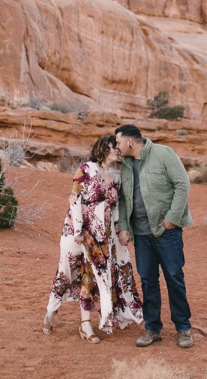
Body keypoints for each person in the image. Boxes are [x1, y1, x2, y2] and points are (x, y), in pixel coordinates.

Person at [42, 135, 143, 343]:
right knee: (67, 275)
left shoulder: (116, 176)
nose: (117, 150)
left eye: (118, 147)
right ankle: (51, 311)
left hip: (100, 237)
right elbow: (75, 200)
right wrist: (78, 231)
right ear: (102, 148)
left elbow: (115, 208)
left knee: (91, 275)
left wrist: (119, 230)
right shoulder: (86, 169)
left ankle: (85, 325)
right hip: (76, 233)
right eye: (112, 146)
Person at [114, 123, 194, 349]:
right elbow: (122, 198)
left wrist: (172, 218)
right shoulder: (126, 165)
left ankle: (183, 328)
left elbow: (182, 184)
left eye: (118, 142)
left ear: (130, 142)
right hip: (141, 235)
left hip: (166, 232)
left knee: (174, 278)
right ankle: (152, 329)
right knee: (148, 281)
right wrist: (123, 226)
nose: (117, 147)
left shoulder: (163, 153)